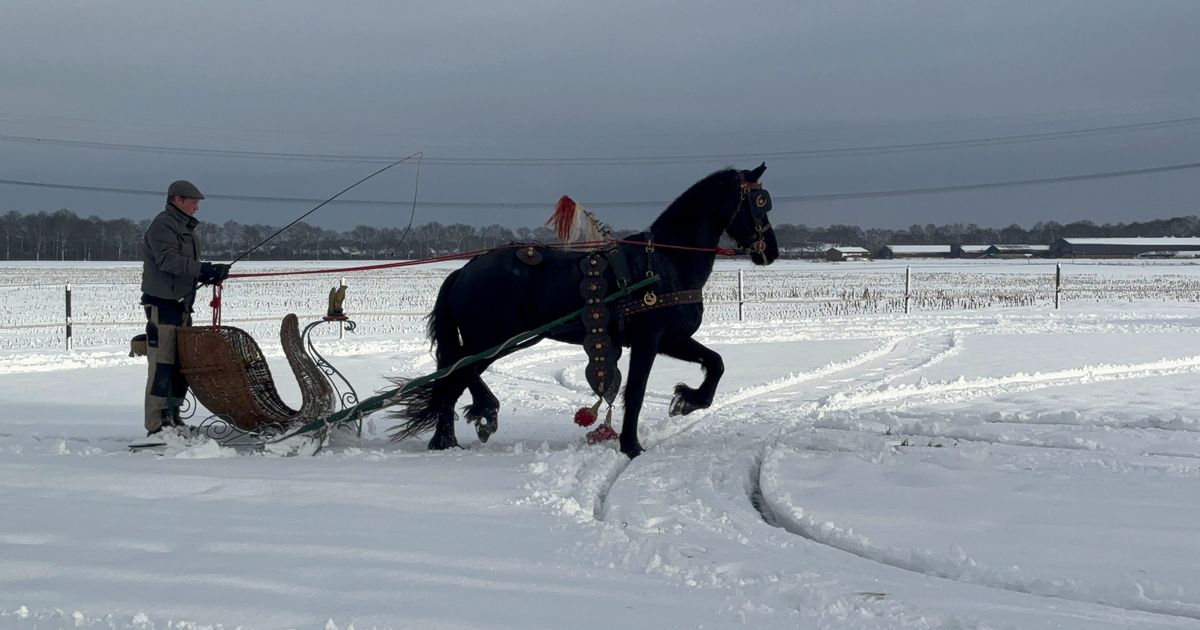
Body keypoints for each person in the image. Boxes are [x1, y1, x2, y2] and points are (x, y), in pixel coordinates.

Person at [140, 180, 230, 437]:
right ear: (176, 200)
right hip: (162, 304)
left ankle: (173, 417)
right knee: (163, 364)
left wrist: (207, 273)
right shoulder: (163, 225)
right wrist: (202, 269)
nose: (197, 207)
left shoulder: (184, 227)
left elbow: (184, 265)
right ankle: (156, 424)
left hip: (182, 306)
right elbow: (168, 260)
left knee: (180, 364)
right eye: (193, 201)